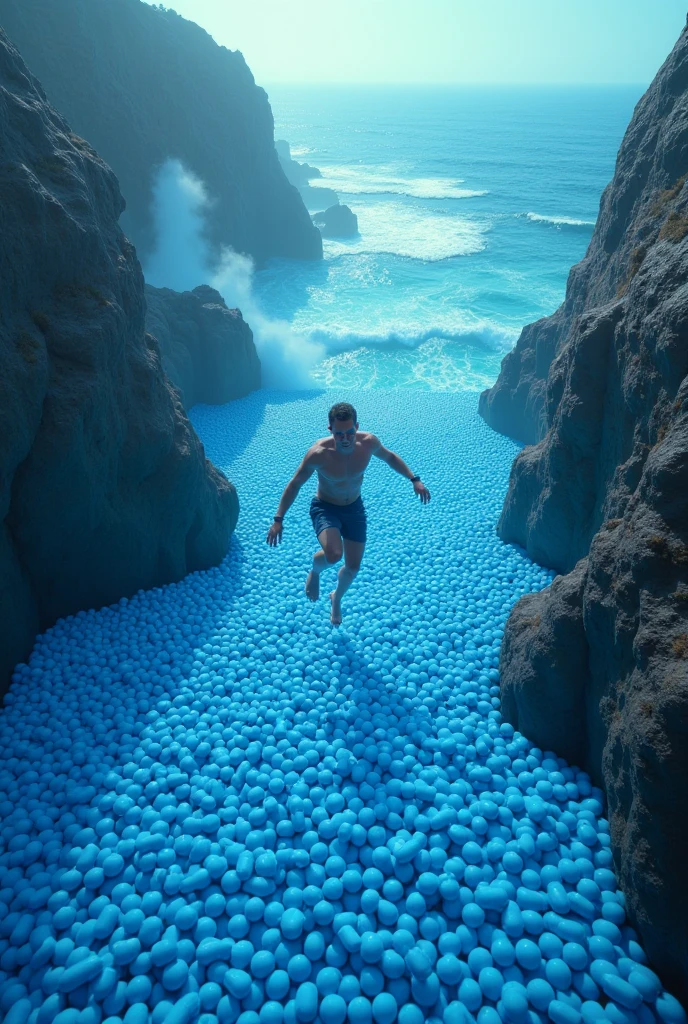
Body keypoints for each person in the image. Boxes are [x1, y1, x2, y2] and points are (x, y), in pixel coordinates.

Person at [266, 402, 431, 625]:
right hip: (325, 507)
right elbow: (294, 484)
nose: (345, 438)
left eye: (350, 432)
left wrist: (414, 479)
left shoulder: (368, 443)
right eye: (339, 434)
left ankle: (336, 599)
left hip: (354, 508)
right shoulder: (318, 454)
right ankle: (315, 572)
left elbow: (390, 457)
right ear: (330, 430)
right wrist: (278, 520)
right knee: (334, 554)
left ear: (357, 427)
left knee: (353, 568)